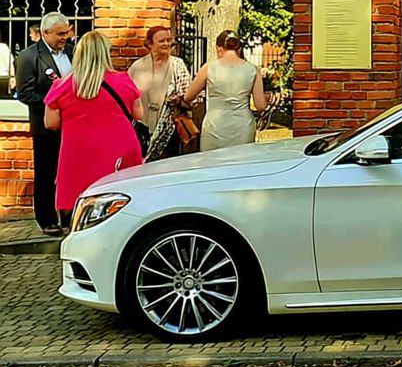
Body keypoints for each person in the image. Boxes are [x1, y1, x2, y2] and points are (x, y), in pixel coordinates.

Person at [43, 32, 143, 221]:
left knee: (79, 200)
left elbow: (51, 123)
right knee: (122, 199)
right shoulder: (123, 80)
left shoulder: (61, 85)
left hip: (78, 150)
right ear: (106, 53)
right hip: (121, 147)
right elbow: (139, 114)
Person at [15, 13, 75, 235]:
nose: (64, 37)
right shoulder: (29, 56)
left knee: (71, 171)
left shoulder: (72, 52)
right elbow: (25, 93)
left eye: (66, 32)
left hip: (73, 125)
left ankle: (69, 215)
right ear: (45, 33)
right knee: (46, 173)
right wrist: (55, 104)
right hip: (45, 126)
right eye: (60, 34)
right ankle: (47, 219)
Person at [184, 30, 267, 151]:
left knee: (213, 160)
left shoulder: (209, 67)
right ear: (239, 48)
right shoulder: (253, 70)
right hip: (243, 126)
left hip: (215, 125)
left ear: (219, 48)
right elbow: (260, 105)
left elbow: (188, 96)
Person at [128, 26, 194, 161]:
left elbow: (190, 99)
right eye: (162, 41)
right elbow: (127, 97)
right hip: (141, 132)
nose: (166, 44)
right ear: (149, 44)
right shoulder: (137, 67)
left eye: (168, 40)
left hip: (169, 132)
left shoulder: (178, 65)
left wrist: (178, 101)